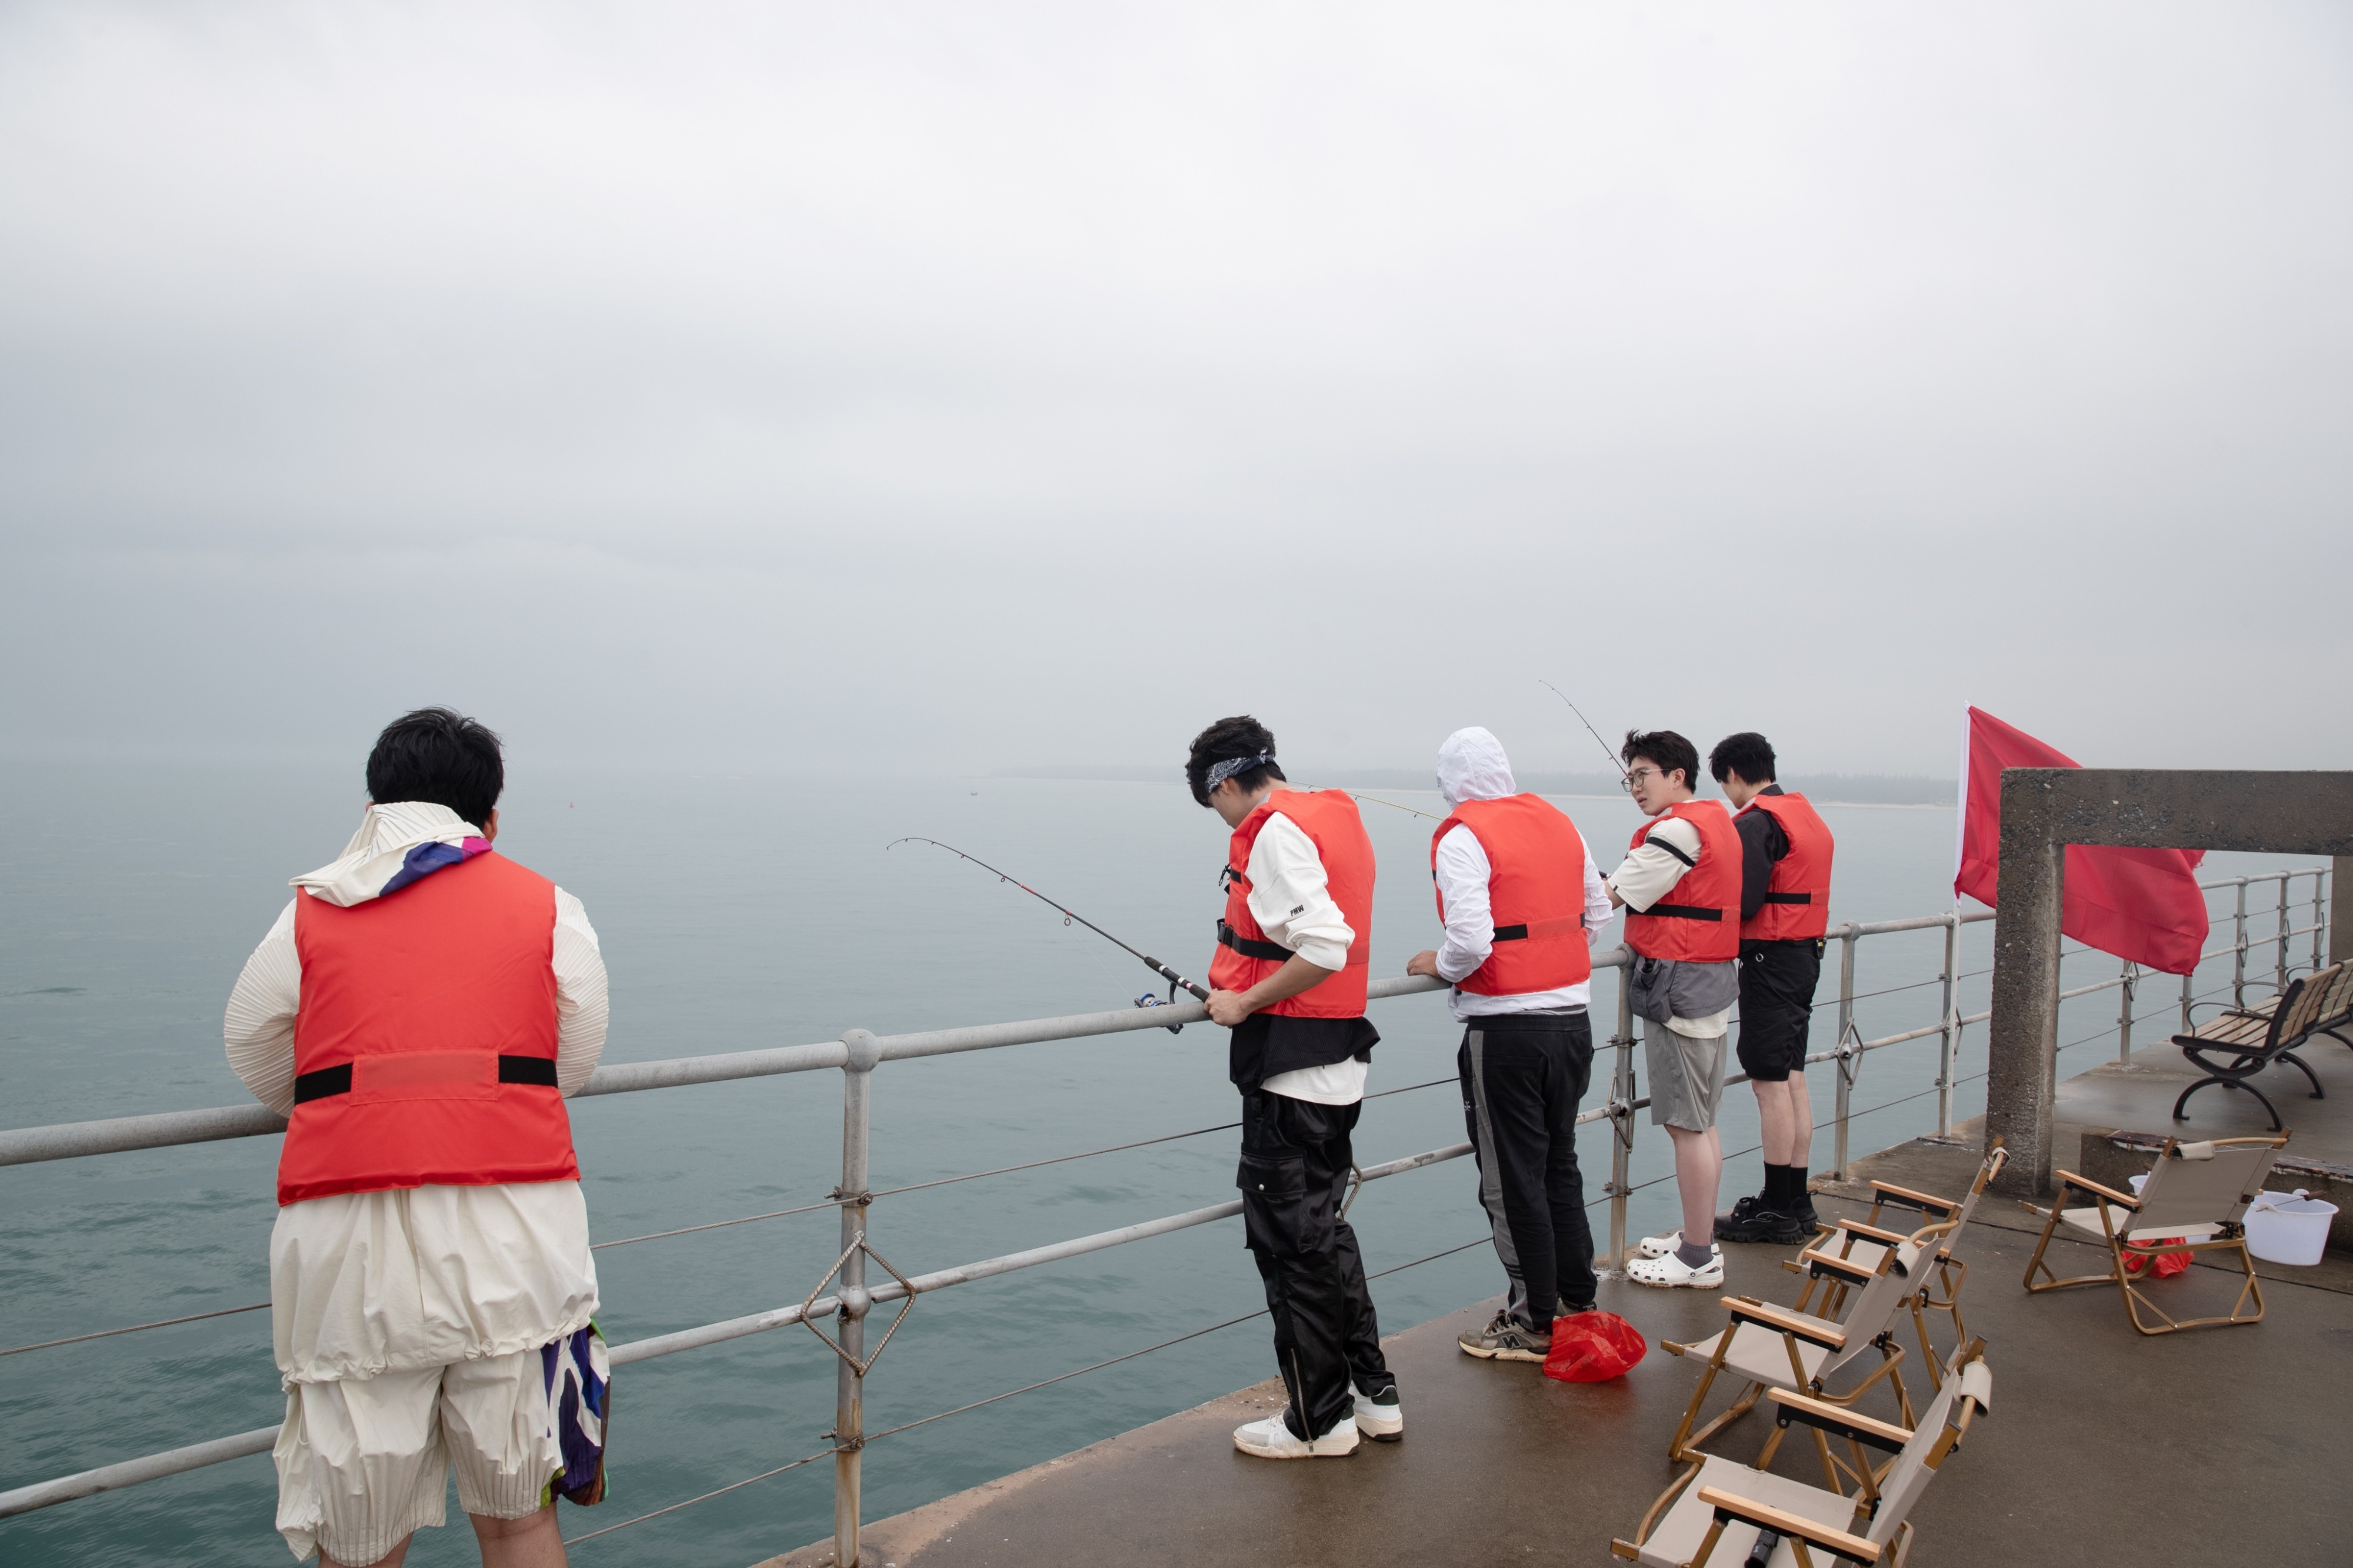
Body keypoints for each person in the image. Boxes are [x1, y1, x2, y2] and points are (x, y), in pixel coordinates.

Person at [225, 709, 609, 1568]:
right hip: (515, 1240)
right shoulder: (549, 905)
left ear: (373, 806)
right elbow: (574, 1060)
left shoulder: (310, 909)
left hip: (350, 1252)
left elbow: (251, 1044)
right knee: (519, 1519)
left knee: (360, 1541)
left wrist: (355, 1105)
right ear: (490, 819)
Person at [1188, 715, 1399, 1459]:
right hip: (1336, 1057)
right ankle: (1373, 1393)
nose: (1220, 818)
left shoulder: (1274, 832)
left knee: (1289, 1248)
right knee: (1323, 1233)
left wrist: (1242, 1000)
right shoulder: (1330, 814)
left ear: (1224, 784)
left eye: (1212, 803)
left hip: (1290, 1067)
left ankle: (1318, 1420)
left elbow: (1325, 944)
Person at [1405, 728, 1617, 1363]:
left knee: (1512, 1179)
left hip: (1505, 1030)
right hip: (1572, 1021)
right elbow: (1599, 913)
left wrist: (1437, 964)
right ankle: (1577, 1301)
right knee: (1559, 1165)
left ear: (1450, 782)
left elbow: (1471, 941)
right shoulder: (1560, 823)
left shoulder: (1463, 836)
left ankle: (1532, 1320)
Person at [1603, 729, 1741, 1289]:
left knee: (1687, 1127)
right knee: (1702, 1124)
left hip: (1681, 990)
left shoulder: (1677, 831)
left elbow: (1609, 895)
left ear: (1677, 776)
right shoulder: (1713, 823)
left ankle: (1697, 1258)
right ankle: (1696, 1236)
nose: (1635, 787)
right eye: (1629, 778)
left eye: (1643, 775)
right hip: (1707, 984)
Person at [1708, 732, 1835, 1245]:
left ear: (1734, 775)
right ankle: (1796, 1199)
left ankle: (1777, 1207)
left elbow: (1746, 900)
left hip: (1770, 961)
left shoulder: (1756, 822)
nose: (1726, 796)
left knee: (1769, 1083)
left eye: (1723, 784)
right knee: (1792, 1077)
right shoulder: (1804, 814)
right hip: (1805, 955)